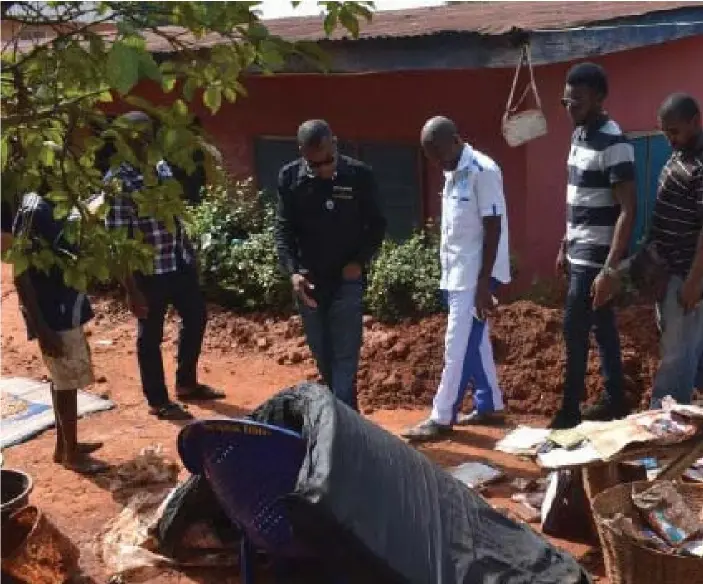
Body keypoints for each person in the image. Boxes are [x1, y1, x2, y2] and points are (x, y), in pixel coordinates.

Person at [104, 111, 223, 421]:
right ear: (124, 140)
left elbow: (175, 216)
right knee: (150, 336)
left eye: (147, 134)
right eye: (136, 135)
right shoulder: (117, 182)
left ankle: (186, 383)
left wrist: (190, 252)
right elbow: (117, 241)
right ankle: (157, 399)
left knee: (196, 317)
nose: (143, 141)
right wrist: (131, 290)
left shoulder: (161, 167)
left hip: (177, 263)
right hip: (148, 273)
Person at [402, 116, 510, 442]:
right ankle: (489, 404)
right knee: (475, 342)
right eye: (430, 155)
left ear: (455, 139)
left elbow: (493, 227)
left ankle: (442, 416)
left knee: (457, 345)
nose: (435, 160)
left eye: (437, 151)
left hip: (476, 276)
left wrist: (482, 284)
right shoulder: (452, 172)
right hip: (457, 273)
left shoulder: (482, 170)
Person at [274, 119, 386, 410]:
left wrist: (359, 262)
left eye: (327, 161)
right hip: (309, 283)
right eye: (316, 165)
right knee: (322, 353)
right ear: (302, 153)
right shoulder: (289, 178)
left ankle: (343, 428)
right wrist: (293, 272)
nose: (324, 169)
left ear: (334, 143)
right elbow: (283, 230)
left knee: (346, 358)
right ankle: (350, 419)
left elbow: (377, 226)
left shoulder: (360, 176)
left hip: (346, 280)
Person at [550, 63, 637, 430]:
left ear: (600, 99)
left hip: (595, 258)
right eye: (567, 102)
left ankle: (569, 412)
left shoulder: (615, 144)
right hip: (577, 250)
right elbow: (577, 198)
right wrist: (563, 244)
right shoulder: (580, 134)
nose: (571, 109)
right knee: (601, 327)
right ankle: (616, 399)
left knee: (574, 328)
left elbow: (629, 210)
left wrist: (609, 269)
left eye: (578, 102)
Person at [13, 189, 107, 474]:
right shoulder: (34, 211)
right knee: (66, 382)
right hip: (53, 314)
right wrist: (42, 328)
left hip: (66, 305)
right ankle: (71, 454)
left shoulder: (60, 202)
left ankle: (64, 446)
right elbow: (20, 274)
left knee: (63, 379)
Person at [647, 93, 703, 408]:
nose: (670, 138)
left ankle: (663, 430)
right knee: (685, 351)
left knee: (676, 358)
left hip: (687, 277)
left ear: (695, 122)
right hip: (668, 274)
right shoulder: (680, 155)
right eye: (665, 132)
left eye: (675, 131)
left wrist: (694, 281)